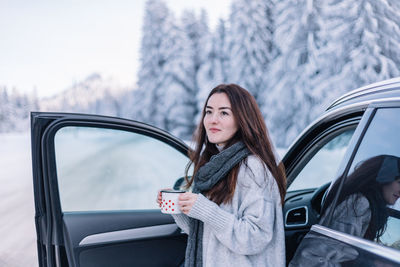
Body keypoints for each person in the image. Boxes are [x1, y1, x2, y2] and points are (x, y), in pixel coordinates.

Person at [157, 84, 287, 267]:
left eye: (224, 113)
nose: (212, 120)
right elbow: (206, 233)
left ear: (242, 119)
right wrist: (180, 209)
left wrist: (206, 210)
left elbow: (256, 236)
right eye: (209, 112)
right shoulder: (216, 166)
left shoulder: (252, 168)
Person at [289, 154, 400, 266]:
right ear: (384, 177)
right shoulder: (358, 203)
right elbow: (316, 258)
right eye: (399, 182)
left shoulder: (364, 205)